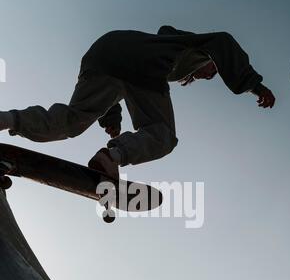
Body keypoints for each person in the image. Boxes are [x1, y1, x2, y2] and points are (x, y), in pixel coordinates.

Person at [0, 25, 275, 180]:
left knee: (73, 120)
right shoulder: (196, 47)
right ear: (212, 62)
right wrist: (254, 85)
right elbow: (223, 41)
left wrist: (111, 120)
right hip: (141, 67)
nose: (207, 76)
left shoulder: (164, 46)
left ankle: (7, 120)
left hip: (103, 53)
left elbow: (119, 83)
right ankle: (112, 156)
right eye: (211, 71)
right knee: (163, 135)